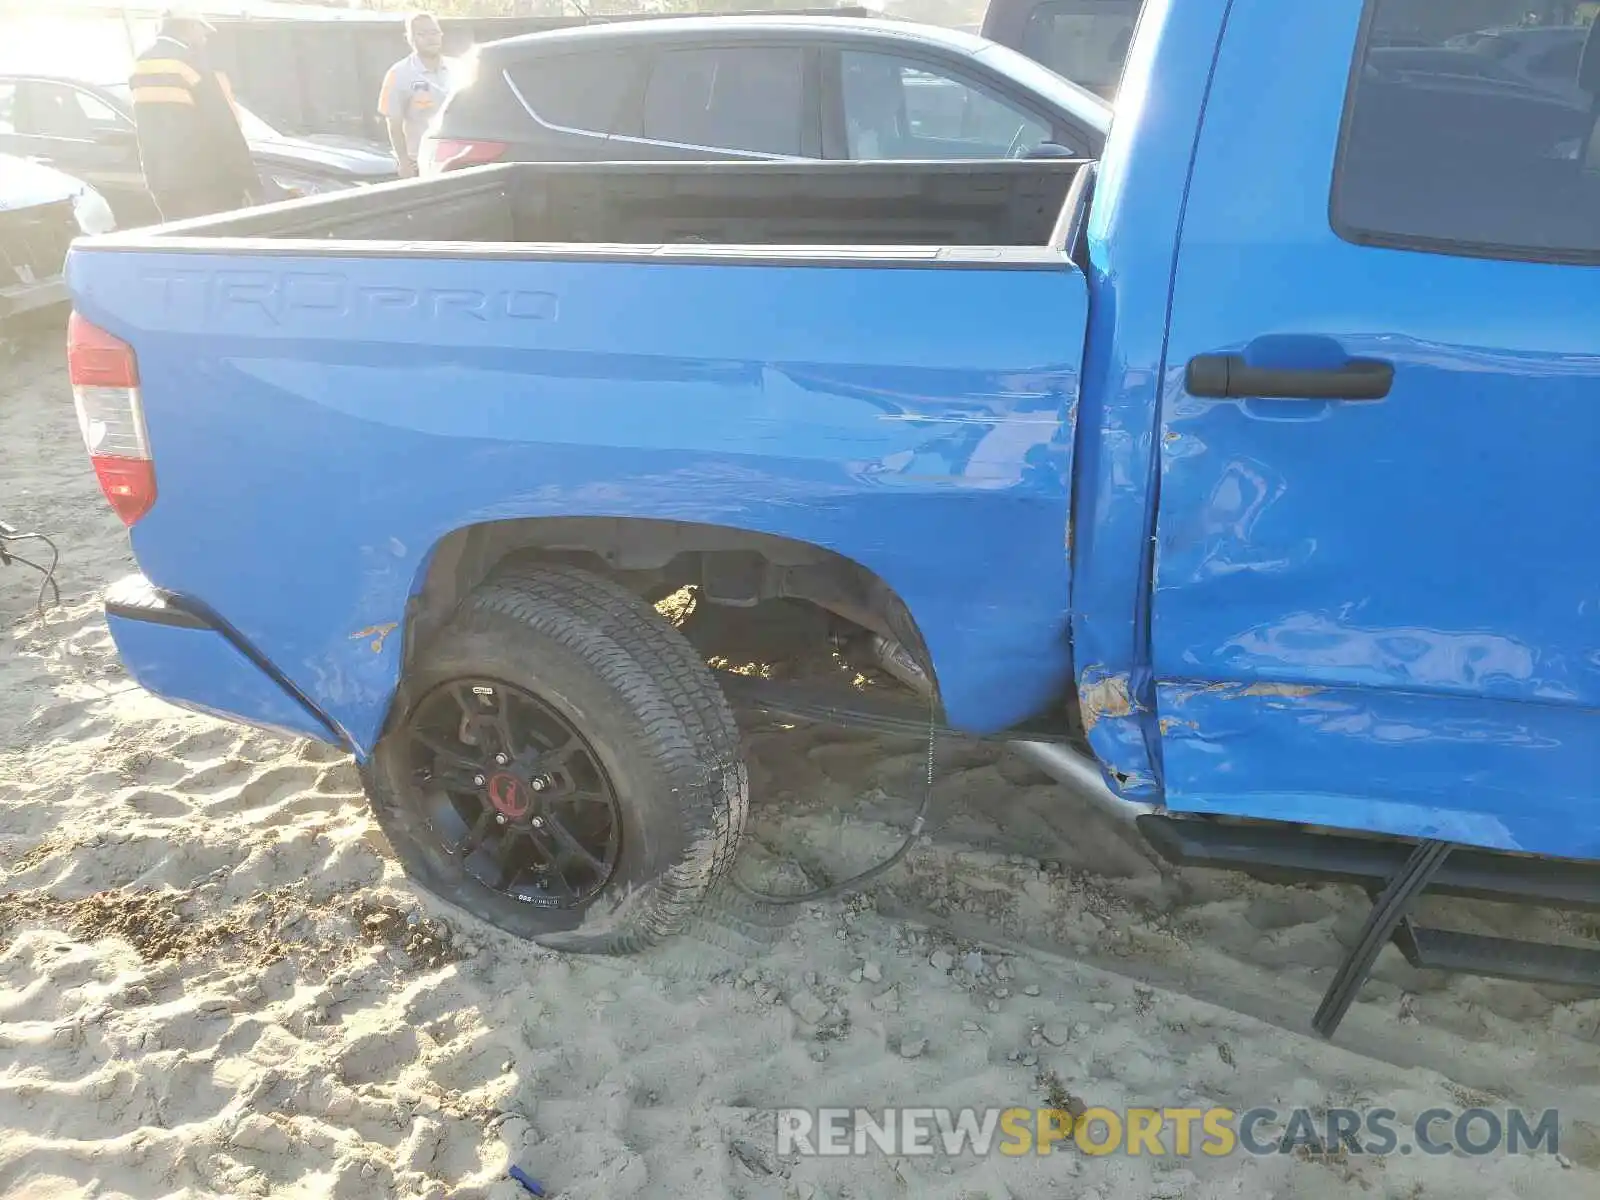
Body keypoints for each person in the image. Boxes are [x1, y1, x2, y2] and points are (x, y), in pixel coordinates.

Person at [128, 7, 262, 221]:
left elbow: (149, 128)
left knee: (183, 244)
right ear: (188, 27)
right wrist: (251, 185)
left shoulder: (140, 65)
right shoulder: (192, 63)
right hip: (206, 184)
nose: (204, 38)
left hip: (162, 182)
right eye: (202, 31)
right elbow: (224, 128)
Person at [379, 12, 453, 179]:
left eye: (434, 32)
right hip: (422, 162)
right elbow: (394, 125)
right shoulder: (398, 74)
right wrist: (404, 163)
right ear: (410, 39)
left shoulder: (458, 68)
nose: (430, 38)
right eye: (422, 34)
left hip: (457, 160)